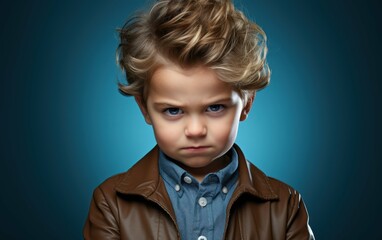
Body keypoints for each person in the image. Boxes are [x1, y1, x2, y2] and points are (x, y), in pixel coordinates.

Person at [83, 0, 315, 239]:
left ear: (246, 104)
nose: (195, 130)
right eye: (173, 111)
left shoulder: (285, 206)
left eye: (215, 107)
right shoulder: (111, 203)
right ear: (144, 109)